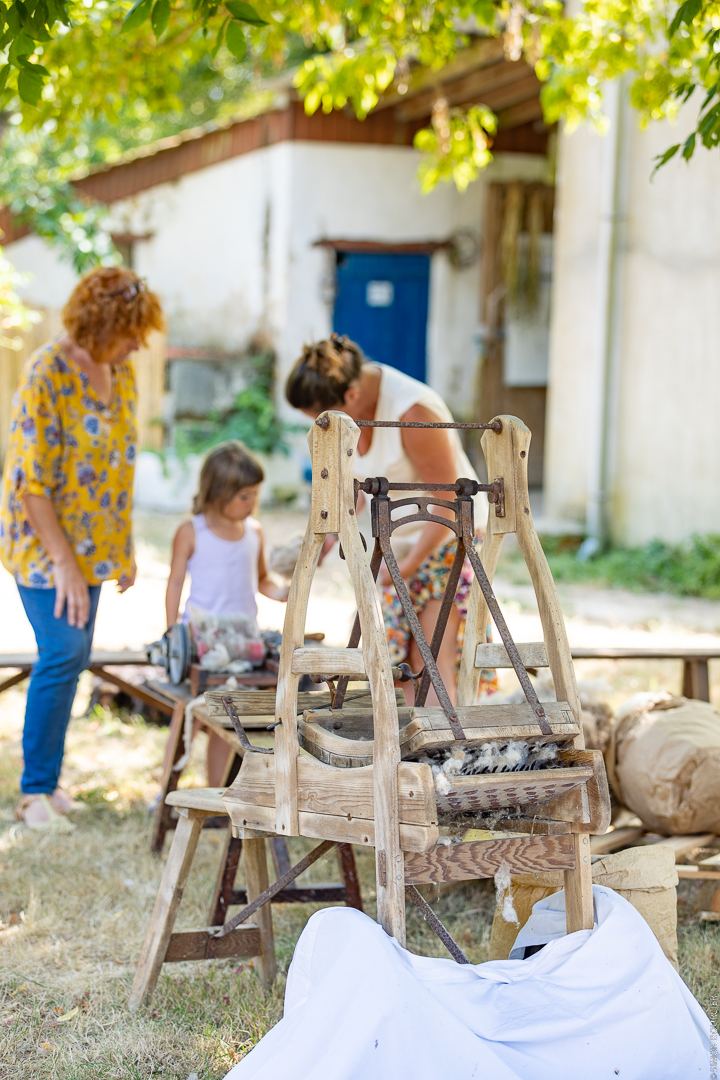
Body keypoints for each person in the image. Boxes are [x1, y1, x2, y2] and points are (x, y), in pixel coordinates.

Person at [0, 267, 164, 830]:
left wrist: (123, 544)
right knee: (65, 651)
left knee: (71, 659)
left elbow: (118, 462)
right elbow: (31, 484)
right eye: (131, 332)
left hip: (94, 546)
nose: (139, 345)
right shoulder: (47, 373)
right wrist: (66, 567)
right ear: (100, 324)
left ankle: (49, 782)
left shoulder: (120, 371)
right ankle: (33, 793)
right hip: (43, 546)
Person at [285, 334, 497, 705]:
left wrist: (409, 566)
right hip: (394, 545)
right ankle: (407, 739)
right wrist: (331, 536)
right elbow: (356, 487)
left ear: (351, 396)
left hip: (447, 539)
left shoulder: (412, 412)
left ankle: (445, 738)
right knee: (397, 664)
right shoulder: (349, 413)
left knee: (430, 661)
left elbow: (449, 501)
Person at [165, 440, 288, 785]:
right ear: (218, 492)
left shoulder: (254, 532)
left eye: (255, 494)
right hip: (201, 644)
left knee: (228, 719)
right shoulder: (192, 532)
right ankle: (165, 790)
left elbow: (262, 580)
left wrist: (286, 592)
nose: (252, 502)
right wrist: (173, 633)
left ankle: (216, 791)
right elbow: (175, 583)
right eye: (244, 496)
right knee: (188, 719)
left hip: (241, 646)